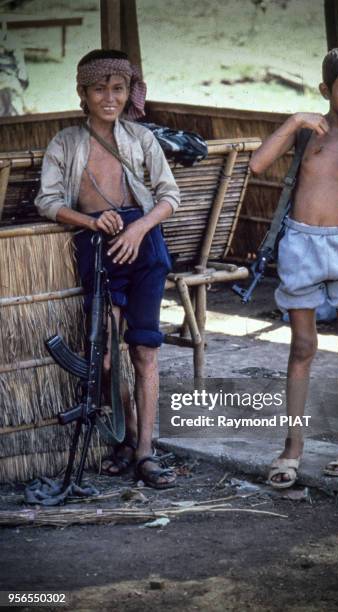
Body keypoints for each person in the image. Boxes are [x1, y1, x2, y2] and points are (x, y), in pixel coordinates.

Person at [35, 49, 180, 488]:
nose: (109, 98)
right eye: (99, 89)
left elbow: (169, 196)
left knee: (144, 352)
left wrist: (138, 231)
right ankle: (124, 436)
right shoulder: (66, 143)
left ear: (128, 92)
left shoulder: (140, 139)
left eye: (117, 89)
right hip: (98, 251)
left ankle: (145, 453)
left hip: (145, 249)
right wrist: (91, 221)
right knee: (104, 358)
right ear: (83, 93)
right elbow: (48, 201)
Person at [250, 47, 338, 487]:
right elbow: (257, 164)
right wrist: (294, 121)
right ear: (325, 91)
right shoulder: (307, 133)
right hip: (301, 246)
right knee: (302, 347)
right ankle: (292, 446)